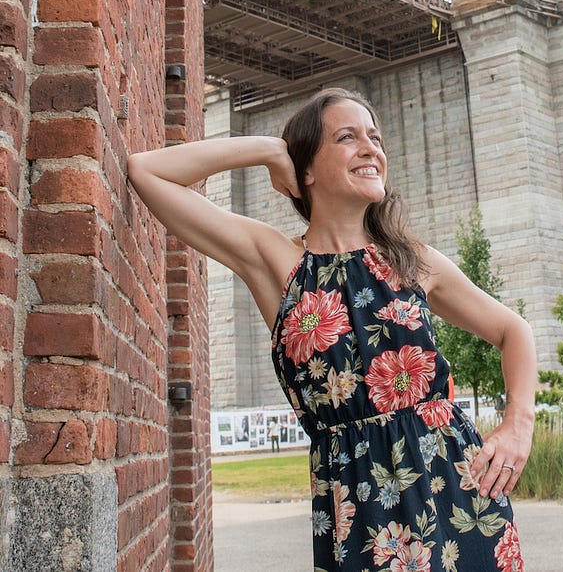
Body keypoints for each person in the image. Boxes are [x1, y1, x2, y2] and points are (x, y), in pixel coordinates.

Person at [128, 87, 536, 571]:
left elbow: (514, 331)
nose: (371, 148)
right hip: (360, 507)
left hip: (458, 491)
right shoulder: (277, 261)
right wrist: (269, 151)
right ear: (307, 171)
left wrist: (518, 425)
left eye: (375, 137)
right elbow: (146, 171)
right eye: (348, 137)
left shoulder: (412, 261)